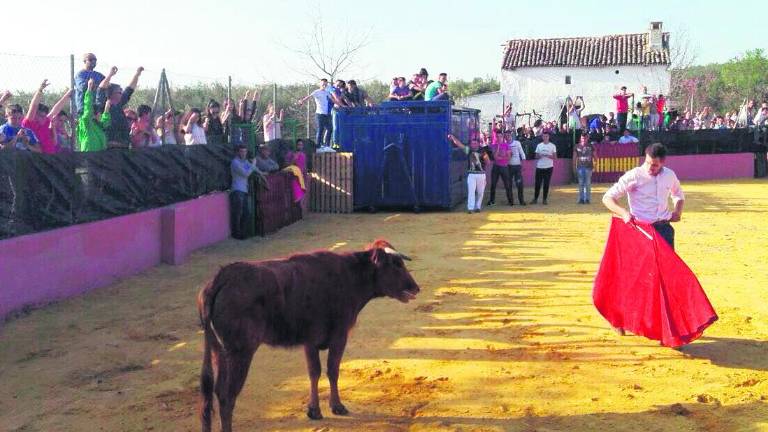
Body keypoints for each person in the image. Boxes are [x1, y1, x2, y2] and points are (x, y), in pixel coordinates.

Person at [595, 142, 717, 347]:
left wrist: (678, 211)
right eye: (650, 164)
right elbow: (608, 197)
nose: (651, 168)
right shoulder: (634, 175)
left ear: (663, 163)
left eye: (656, 166)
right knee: (634, 279)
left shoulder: (669, 175)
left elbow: (678, 194)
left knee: (667, 280)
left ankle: (668, 329)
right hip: (640, 232)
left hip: (663, 230)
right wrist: (624, 213)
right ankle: (618, 317)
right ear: (646, 157)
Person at [21, 80, 73, 154]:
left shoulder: (46, 121)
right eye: (41, 116)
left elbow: (56, 108)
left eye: (44, 116)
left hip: (50, 157)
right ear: (35, 115)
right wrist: (40, 90)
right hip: (37, 159)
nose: (43, 118)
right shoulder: (29, 123)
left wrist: (68, 94)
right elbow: (33, 106)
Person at [99, 66, 143, 148]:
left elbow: (130, 89)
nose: (121, 93)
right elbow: (101, 88)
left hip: (123, 145)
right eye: (119, 91)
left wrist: (137, 74)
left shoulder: (119, 103)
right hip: (111, 146)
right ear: (112, 93)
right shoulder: (103, 104)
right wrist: (110, 75)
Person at [447, 133, 490, 213]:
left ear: (478, 143)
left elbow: (488, 162)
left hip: (481, 174)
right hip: (472, 174)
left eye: (475, 143)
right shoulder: (469, 150)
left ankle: (478, 207)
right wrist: (453, 138)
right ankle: (470, 208)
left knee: (480, 192)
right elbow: (460, 145)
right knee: (471, 191)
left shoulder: (482, 151)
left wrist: (485, 161)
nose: (474, 144)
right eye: (472, 143)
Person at [77, 78, 111, 152]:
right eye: (100, 114)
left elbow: (105, 122)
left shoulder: (99, 126)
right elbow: (88, 108)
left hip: (99, 157)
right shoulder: (86, 123)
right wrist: (89, 89)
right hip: (88, 156)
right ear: (94, 114)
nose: (101, 115)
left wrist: (106, 109)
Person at [297, 79, 333, 149]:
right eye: (323, 84)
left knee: (330, 129)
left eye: (325, 84)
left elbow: (333, 99)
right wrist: (302, 101)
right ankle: (318, 146)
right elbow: (309, 97)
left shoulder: (327, 92)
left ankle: (327, 145)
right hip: (319, 114)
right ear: (320, 84)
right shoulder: (317, 92)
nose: (324, 86)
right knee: (320, 129)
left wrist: (341, 104)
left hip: (326, 114)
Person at [230, 144, 256, 240]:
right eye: (241, 151)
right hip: (237, 190)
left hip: (244, 190)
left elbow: (255, 169)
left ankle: (243, 233)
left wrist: (263, 173)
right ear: (237, 152)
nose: (243, 153)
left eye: (245, 151)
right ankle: (236, 234)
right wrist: (253, 164)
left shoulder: (245, 162)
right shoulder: (235, 162)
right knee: (238, 213)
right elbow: (246, 174)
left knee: (246, 212)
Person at [486, 128, 514, 206]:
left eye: (500, 136)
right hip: (496, 167)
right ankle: (492, 201)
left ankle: (510, 201)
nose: (499, 138)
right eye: (497, 137)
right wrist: (498, 147)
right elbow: (495, 157)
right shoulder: (493, 146)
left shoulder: (506, 145)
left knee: (507, 184)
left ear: (502, 137)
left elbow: (508, 157)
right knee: (493, 185)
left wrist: (500, 157)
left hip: (504, 167)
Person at [531, 132, 556, 205]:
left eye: (547, 136)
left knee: (546, 184)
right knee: (537, 184)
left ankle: (544, 199)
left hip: (549, 167)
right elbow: (536, 156)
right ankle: (535, 199)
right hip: (540, 167)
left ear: (549, 137)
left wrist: (548, 155)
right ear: (542, 137)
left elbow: (555, 157)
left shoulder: (552, 146)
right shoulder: (539, 145)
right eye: (544, 136)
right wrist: (540, 155)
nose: (545, 138)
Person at [573, 133, 597, 204]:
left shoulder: (591, 146)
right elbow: (574, 157)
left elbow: (595, 156)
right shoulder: (577, 146)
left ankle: (587, 199)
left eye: (585, 138)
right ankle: (581, 199)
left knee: (588, 183)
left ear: (587, 138)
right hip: (580, 167)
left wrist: (595, 163)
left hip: (589, 167)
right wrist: (574, 166)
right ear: (580, 138)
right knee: (581, 183)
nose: (584, 139)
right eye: (582, 138)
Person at [506, 131, 526, 205]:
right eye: (506, 135)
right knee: (509, 184)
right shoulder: (505, 144)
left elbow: (522, 153)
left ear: (512, 136)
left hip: (517, 166)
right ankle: (511, 201)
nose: (507, 137)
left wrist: (524, 163)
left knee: (519, 184)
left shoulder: (517, 143)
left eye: (509, 135)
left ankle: (521, 201)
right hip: (508, 167)